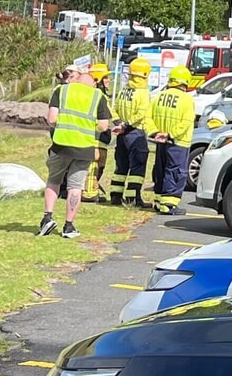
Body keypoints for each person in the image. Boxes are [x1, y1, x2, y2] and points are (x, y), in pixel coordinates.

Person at [39, 66, 111, 239]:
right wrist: (87, 127)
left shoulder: (62, 91)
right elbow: (103, 126)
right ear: (93, 84)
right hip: (84, 148)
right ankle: (68, 226)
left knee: (54, 181)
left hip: (61, 144)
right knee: (75, 187)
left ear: (77, 80)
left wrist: (63, 127)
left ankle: (47, 218)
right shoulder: (98, 96)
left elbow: (51, 119)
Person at [148, 66, 199, 216]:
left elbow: (148, 117)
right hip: (178, 142)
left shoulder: (159, 97)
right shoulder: (186, 100)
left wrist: (156, 132)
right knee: (175, 172)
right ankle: (169, 205)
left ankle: (159, 201)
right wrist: (170, 134)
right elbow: (186, 122)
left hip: (160, 141)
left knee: (160, 170)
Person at [109, 57, 154, 208]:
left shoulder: (124, 90)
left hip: (122, 135)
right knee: (137, 167)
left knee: (121, 167)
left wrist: (118, 124)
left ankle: (115, 196)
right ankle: (133, 199)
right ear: (145, 75)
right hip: (135, 133)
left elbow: (113, 108)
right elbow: (140, 115)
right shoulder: (143, 93)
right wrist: (125, 125)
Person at [80, 63, 113, 202]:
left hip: (100, 137)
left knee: (99, 164)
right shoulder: (98, 96)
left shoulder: (101, 95)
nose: (108, 81)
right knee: (93, 164)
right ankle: (89, 193)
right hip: (96, 136)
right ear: (99, 79)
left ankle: (92, 190)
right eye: (105, 78)